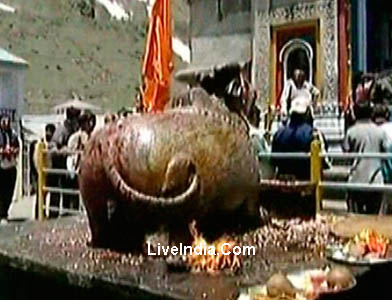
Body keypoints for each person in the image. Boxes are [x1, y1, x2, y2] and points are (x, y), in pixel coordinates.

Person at [342, 101, 390, 214]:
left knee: (355, 219)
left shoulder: (351, 132)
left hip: (356, 180)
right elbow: (385, 150)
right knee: (374, 219)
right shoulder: (380, 131)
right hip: (376, 180)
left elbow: (346, 152)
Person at [49, 107, 81, 217]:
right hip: (59, 167)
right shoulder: (62, 130)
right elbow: (53, 147)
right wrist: (64, 151)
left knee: (71, 193)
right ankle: (53, 215)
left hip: (70, 167)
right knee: (57, 193)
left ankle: (70, 214)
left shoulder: (75, 130)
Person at [271, 101, 315, 181]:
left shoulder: (278, 133)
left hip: (283, 180)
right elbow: (324, 161)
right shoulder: (312, 134)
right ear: (307, 113)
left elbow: (273, 160)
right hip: (304, 179)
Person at [32, 123, 56, 218]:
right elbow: (36, 158)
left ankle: (50, 213)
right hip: (41, 172)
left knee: (50, 193)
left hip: (50, 171)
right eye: (47, 131)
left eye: (51, 132)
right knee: (40, 195)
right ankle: (39, 214)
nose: (49, 134)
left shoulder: (52, 144)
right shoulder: (40, 144)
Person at [0, 115, 19, 224]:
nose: (6, 123)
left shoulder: (13, 134)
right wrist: (2, 151)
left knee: (9, 191)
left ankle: (5, 212)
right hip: (1, 166)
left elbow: (17, 147)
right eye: (4, 121)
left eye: (7, 121)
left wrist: (13, 150)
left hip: (11, 166)